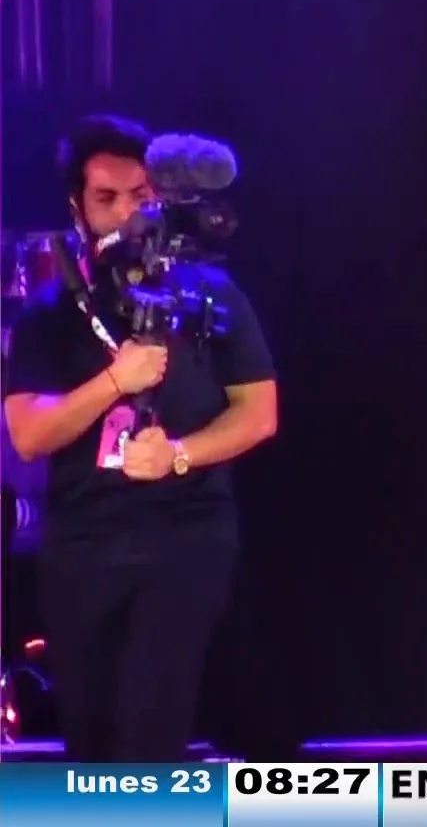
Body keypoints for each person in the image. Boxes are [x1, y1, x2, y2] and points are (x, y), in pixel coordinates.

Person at [1, 115, 278, 762]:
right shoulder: (50, 313)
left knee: (150, 732)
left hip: (184, 536)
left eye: (141, 198)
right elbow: (29, 434)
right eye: (108, 199)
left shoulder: (211, 295)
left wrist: (181, 455)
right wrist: (114, 381)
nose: (127, 213)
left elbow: (260, 413)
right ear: (77, 207)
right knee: (91, 742)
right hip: (83, 547)